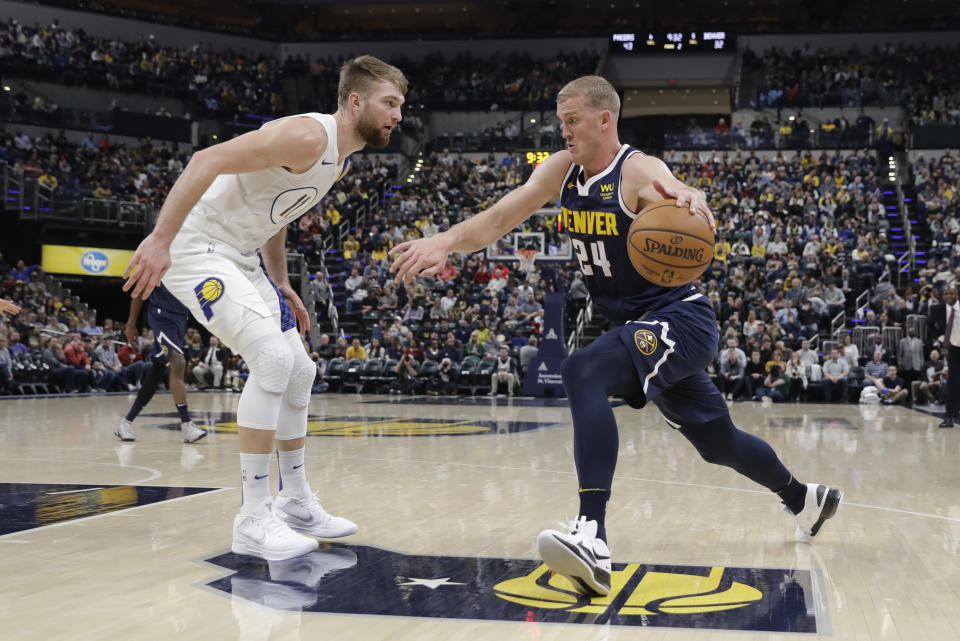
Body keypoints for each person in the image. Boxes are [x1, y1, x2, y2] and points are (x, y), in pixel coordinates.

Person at [389, 75, 842, 596]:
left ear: (605, 119)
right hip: (639, 327)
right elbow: (497, 219)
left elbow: (668, 187)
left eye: (573, 120)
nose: (564, 131)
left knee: (582, 370)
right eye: (560, 121)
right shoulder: (561, 170)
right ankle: (803, 498)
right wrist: (445, 241)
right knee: (718, 443)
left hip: (681, 319)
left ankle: (593, 537)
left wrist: (687, 194)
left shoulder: (637, 170)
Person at [121, 55, 406, 561]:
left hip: (242, 257)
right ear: (355, 101)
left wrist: (280, 281)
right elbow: (203, 161)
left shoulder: (338, 159)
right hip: (196, 246)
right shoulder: (309, 136)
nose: (398, 115)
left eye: (401, 105)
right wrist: (161, 240)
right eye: (389, 103)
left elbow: (280, 209)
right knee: (272, 360)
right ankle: (253, 518)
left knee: (300, 370)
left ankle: (295, 502)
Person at [115, 287, 206, 443]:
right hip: (161, 315)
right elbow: (139, 289)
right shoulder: (158, 263)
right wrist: (131, 324)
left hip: (180, 318)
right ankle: (186, 425)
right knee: (178, 362)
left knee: (157, 370)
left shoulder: (191, 264)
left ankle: (125, 423)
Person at [932, 285, 960, 427]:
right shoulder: (938, 309)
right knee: (952, 384)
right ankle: (949, 417)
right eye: (946, 293)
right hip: (953, 350)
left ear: (957, 294)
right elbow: (929, 325)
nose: (949, 295)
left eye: (952, 293)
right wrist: (942, 340)